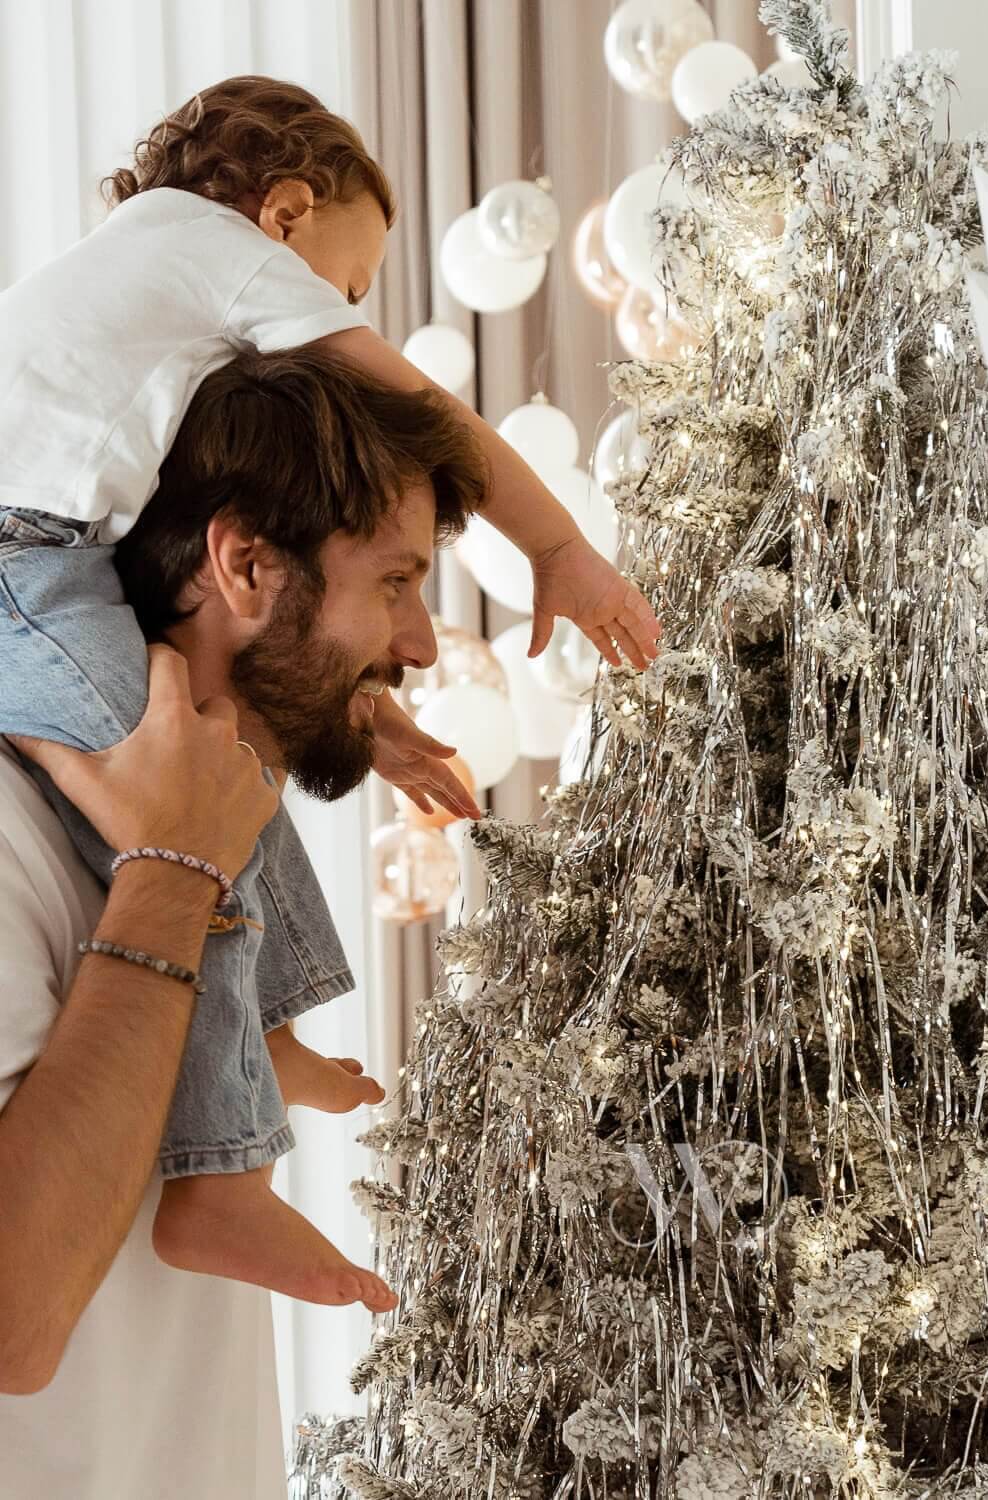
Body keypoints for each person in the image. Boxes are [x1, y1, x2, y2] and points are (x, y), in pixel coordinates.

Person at [0, 76, 660, 1315]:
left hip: (52, 551)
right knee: (176, 787)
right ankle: (221, 1178)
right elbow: (418, 404)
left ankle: (260, 1036)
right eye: (344, 287)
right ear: (286, 213)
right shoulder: (209, 246)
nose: (331, 320)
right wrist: (556, 548)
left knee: (226, 762)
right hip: (17, 557)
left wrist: (358, 709)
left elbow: (236, 605)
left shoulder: (141, 294)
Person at [0, 348, 487, 1499]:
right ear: (246, 563)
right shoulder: (13, 834)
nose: (418, 647)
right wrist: (173, 873)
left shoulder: (223, 828)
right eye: (395, 585)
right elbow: (12, 1320)